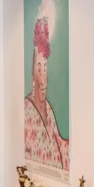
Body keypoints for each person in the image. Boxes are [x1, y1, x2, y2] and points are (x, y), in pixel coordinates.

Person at [24, 16, 69, 171]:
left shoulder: (48, 108)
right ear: (32, 73)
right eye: (39, 68)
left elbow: (60, 144)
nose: (43, 76)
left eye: (45, 68)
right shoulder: (26, 109)